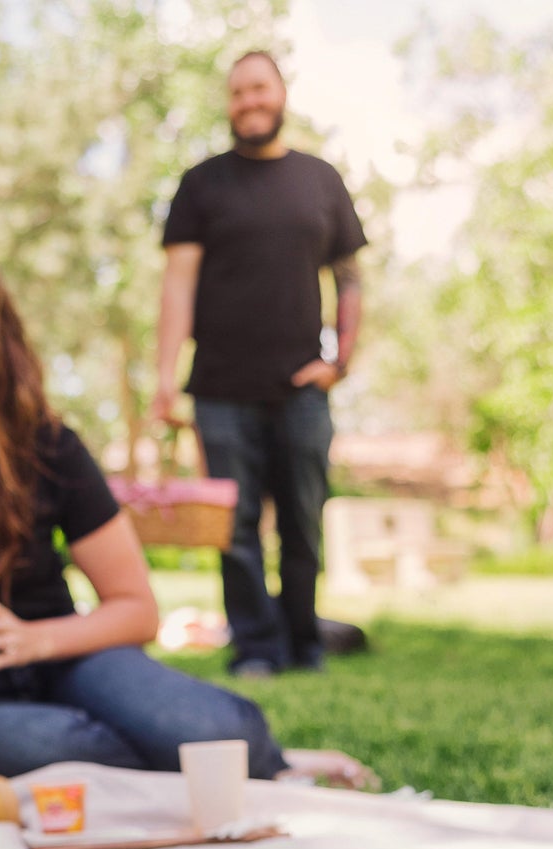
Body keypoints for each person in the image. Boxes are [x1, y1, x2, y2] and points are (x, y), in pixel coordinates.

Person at [0, 249, 373, 786]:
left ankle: (228, 756)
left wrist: (31, 639)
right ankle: (232, 765)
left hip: (71, 658)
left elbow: (137, 612)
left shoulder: (47, 445)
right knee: (51, 746)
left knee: (216, 728)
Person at [151, 49, 368, 676]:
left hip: (302, 386)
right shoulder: (201, 184)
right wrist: (165, 380)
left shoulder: (321, 180)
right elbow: (177, 286)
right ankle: (255, 648)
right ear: (228, 103)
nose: (249, 101)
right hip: (219, 388)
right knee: (236, 526)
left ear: (281, 94)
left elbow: (350, 277)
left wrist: (341, 360)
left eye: (259, 89)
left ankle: (304, 642)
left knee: (303, 521)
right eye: (237, 92)